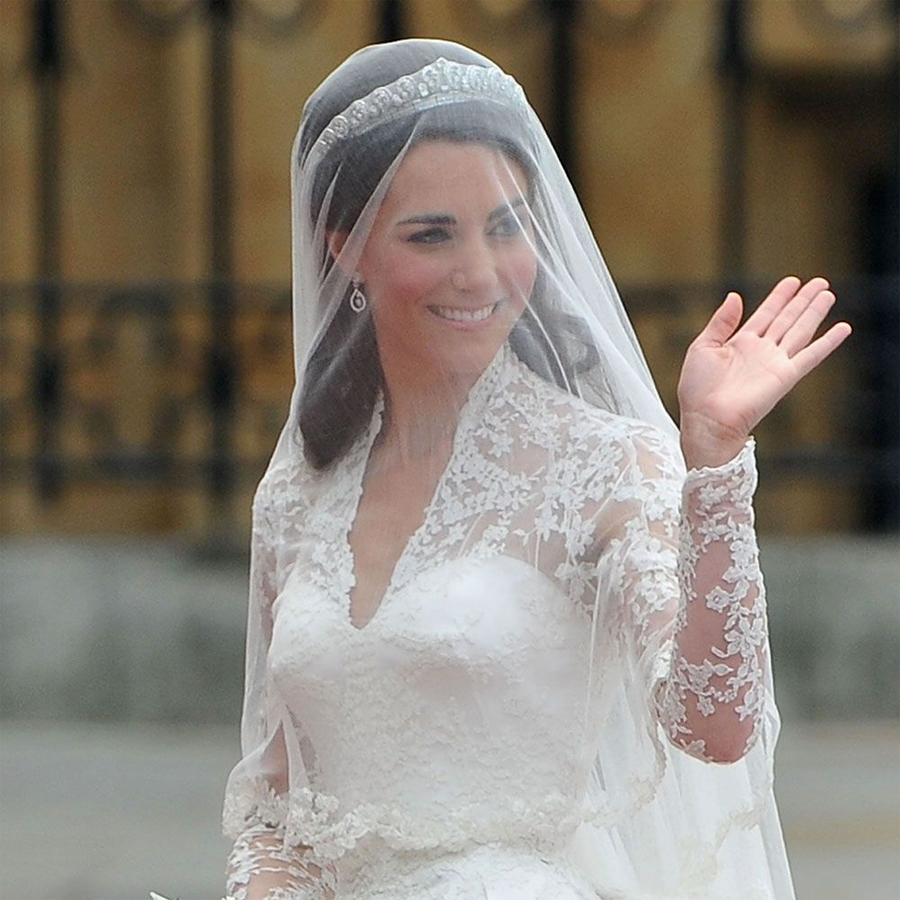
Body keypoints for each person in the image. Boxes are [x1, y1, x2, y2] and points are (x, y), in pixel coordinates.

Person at [222, 39, 850, 900]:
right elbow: (278, 802)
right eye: (432, 233)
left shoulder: (599, 462)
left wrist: (714, 465)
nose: (480, 272)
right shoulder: (298, 491)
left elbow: (714, 724)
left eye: (507, 226)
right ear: (345, 247)